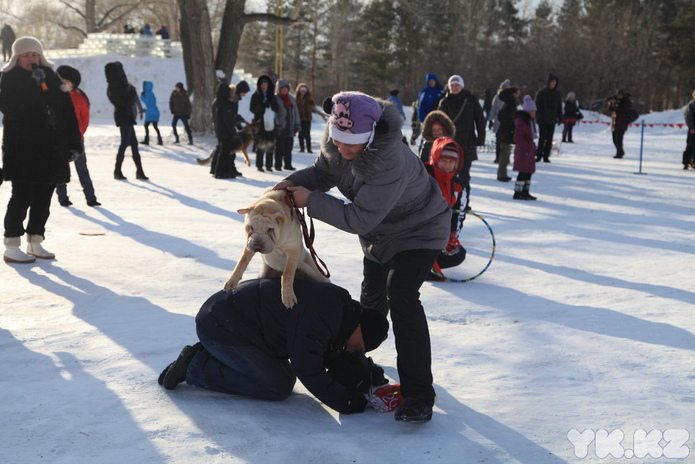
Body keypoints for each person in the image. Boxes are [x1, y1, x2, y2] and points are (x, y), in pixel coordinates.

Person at [274, 91, 450, 423]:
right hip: (380, 238)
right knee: (371, 304)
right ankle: (356, 365)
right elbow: (323, 173)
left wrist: (310, 200)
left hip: (420, 230)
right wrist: (289, 184)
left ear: (369, 137)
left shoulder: (391, 160)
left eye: (349, 145)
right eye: (337, 142)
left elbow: (359, 218)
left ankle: (418, 395)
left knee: (401, 295)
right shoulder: (339, 142)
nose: (342, 149)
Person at [158, 278, 393, 414]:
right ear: (358, 327)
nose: (352, 350)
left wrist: (367, 377)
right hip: (220, 326)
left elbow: (327, 354)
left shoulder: (339, 312)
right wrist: (347, 402)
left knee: (282, 378)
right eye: (358, 346)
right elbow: (307, 366)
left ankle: (218, 357)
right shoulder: (324, 315)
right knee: (276, 385)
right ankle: (196, 366)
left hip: (239, 325)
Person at [1, 37, 81, 263]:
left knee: (44, 198)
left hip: (51, 148)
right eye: (25, 55)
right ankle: (12, 243)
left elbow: (67, 112)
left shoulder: (51, 76)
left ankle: (35, 240)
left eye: (34, 54)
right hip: (23, 149)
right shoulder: (9, 78)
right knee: (22, 196)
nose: (31, 59)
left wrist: (75, 143)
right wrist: (31, 85)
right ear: (16, 58)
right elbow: (11, 109)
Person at [55, 65, 101, 208]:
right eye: (61, 80)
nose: (63, 83)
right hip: (60, 139)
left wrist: (78, 134)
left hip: (77, 140)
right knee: (61, 169)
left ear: (73, 83)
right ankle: (62, 197)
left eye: (66, 81)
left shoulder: (80, 98)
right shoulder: (55, 96)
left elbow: (84, 120)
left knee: (82, 169)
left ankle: (90, 197)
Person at [437, 75, 486, 209]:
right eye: (452, 85)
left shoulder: (471, 100)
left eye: (457, 84)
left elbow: (480, 119)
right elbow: (439, 122)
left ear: (462, 85)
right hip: (449, 144)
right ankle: (448, 201)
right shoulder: (445, 102)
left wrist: (481, 138)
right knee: (448, 174)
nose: (455, 87)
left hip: (467, 143)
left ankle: (464, 203)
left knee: (464, 176)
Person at [423, 137, 467, 281]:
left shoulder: (458, 186)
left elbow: (458, 214)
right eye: (444, 160)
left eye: (451, 161)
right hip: (414, 233)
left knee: (458, 254)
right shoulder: (423, 175)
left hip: (438, 236)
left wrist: (452, 236)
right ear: (436, 157)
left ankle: (427, 264)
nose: (447, 165)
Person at [105, 61, 148, 180]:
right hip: (123, 116)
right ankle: (117, 170)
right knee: (125, 142)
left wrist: (130, 90)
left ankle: (139, 171)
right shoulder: (115, 86)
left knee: (133, 143)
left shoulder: (117, 85)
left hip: (126, 116)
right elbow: (124, 101)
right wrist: (131, 91)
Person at [211, 80, 250, 179]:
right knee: (224, 151)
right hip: (224, 131)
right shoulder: (224, 104)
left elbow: (230, 117)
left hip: (223, 130)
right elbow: (228, 119)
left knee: (226, 151)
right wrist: (233, 132)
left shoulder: (222, 102)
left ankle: (227, 169)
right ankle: (219, 171)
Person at [250, 75, 278, 172]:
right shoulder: (256, 95)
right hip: (260, 124)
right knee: (260, 145)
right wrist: (261, 107)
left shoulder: (272, 96)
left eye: (265, 84)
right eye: (262, 84)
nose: (264, 86)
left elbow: (277, 108)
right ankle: (259, 165)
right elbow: (252, 109)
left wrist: (270, 106)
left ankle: (269, 165)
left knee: (270, 145)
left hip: (270, 124)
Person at [513, 96, 538, 200]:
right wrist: (527, 147)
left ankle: (525, 191)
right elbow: (518, 137)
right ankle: (518, 192)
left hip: (529, 150)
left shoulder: (530, 121)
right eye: (532, 110)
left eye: (534, 111)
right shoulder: (522, 121)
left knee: (529, 172)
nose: (534, 113)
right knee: (523, 172)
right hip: (523, 151)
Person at [273, 79, 300, 171]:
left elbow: (295, 112)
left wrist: (297, 124)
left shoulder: (291, 99)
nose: (284, 90)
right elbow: (274, 114)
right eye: (282, 88)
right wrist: (277, 125)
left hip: (290, 127)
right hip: (281, 127)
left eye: (286, 88)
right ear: (279, 89)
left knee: (288, 148)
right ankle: (278, 165)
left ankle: (288, 164)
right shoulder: (275, 99)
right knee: (279, 148)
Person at [535, 73, 562, 163]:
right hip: (542, 119)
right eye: (552, 82)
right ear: (548, 82)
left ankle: (546, 156)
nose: (553, 84)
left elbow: (559, 106)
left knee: (550, 138)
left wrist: (560, 117)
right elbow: (537, 106)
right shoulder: (541, 93)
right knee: (542, 138)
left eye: (555, 82)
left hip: (552, 119)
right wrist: (537, 117)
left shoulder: (557, 94)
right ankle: (539, 155)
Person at [496, 86, 519, 182]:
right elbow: (506, 118)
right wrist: (512, 125)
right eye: (517, 93)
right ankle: (502, 174)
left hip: (504, 131)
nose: (518, 95)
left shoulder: (507, 103)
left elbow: (500, 116)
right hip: (506, 132)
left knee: (505, 153)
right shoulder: (510, 104)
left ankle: (502, 173)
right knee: (504, 154)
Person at [295, 83, 326, 154]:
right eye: (301, 90)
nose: (302, 92)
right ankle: (302, 148)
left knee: (307, 134)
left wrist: (314, 110)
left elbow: (313, 108)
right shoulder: (297, 99)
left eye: (304, 90)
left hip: (307, 118)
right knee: (300, 134)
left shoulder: (309, 99)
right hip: (299, 119)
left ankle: (309, 149)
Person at [486, 79, 512, 164]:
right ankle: (498, 157)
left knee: (506, 141)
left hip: (507, 122)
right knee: (498, 140)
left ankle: (506, 157)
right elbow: (493, 108)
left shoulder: (511, 97)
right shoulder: (497, 97)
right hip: (498, 121)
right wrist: (490, 120)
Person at [607, 89, 632, 159]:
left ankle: (619, 153)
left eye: (620, 95)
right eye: (618, 95)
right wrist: (611, 103)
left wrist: (616, 104)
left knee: (619, 139)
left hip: (622, 122)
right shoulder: (617, 101)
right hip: (615, 122)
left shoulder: (626, 101)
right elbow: (611, 109)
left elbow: (623, 110)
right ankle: (620, 151)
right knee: (614, 138)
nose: (619, 96)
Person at [140, 81, 162, 145]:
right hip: (155, 111)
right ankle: (160, 139)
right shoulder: (152, 93)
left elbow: (146, 102)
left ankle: (146, 140)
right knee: (155, 127)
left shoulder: (147, 94)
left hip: (150, 113)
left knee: (146, 126)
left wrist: (142, 96)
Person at [682, 90, 695, 170]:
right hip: (693, 129)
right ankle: (686, 162)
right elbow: (688, 117)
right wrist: (692, 127)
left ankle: (693, 162)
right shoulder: (692, 105)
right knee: (690, 146)